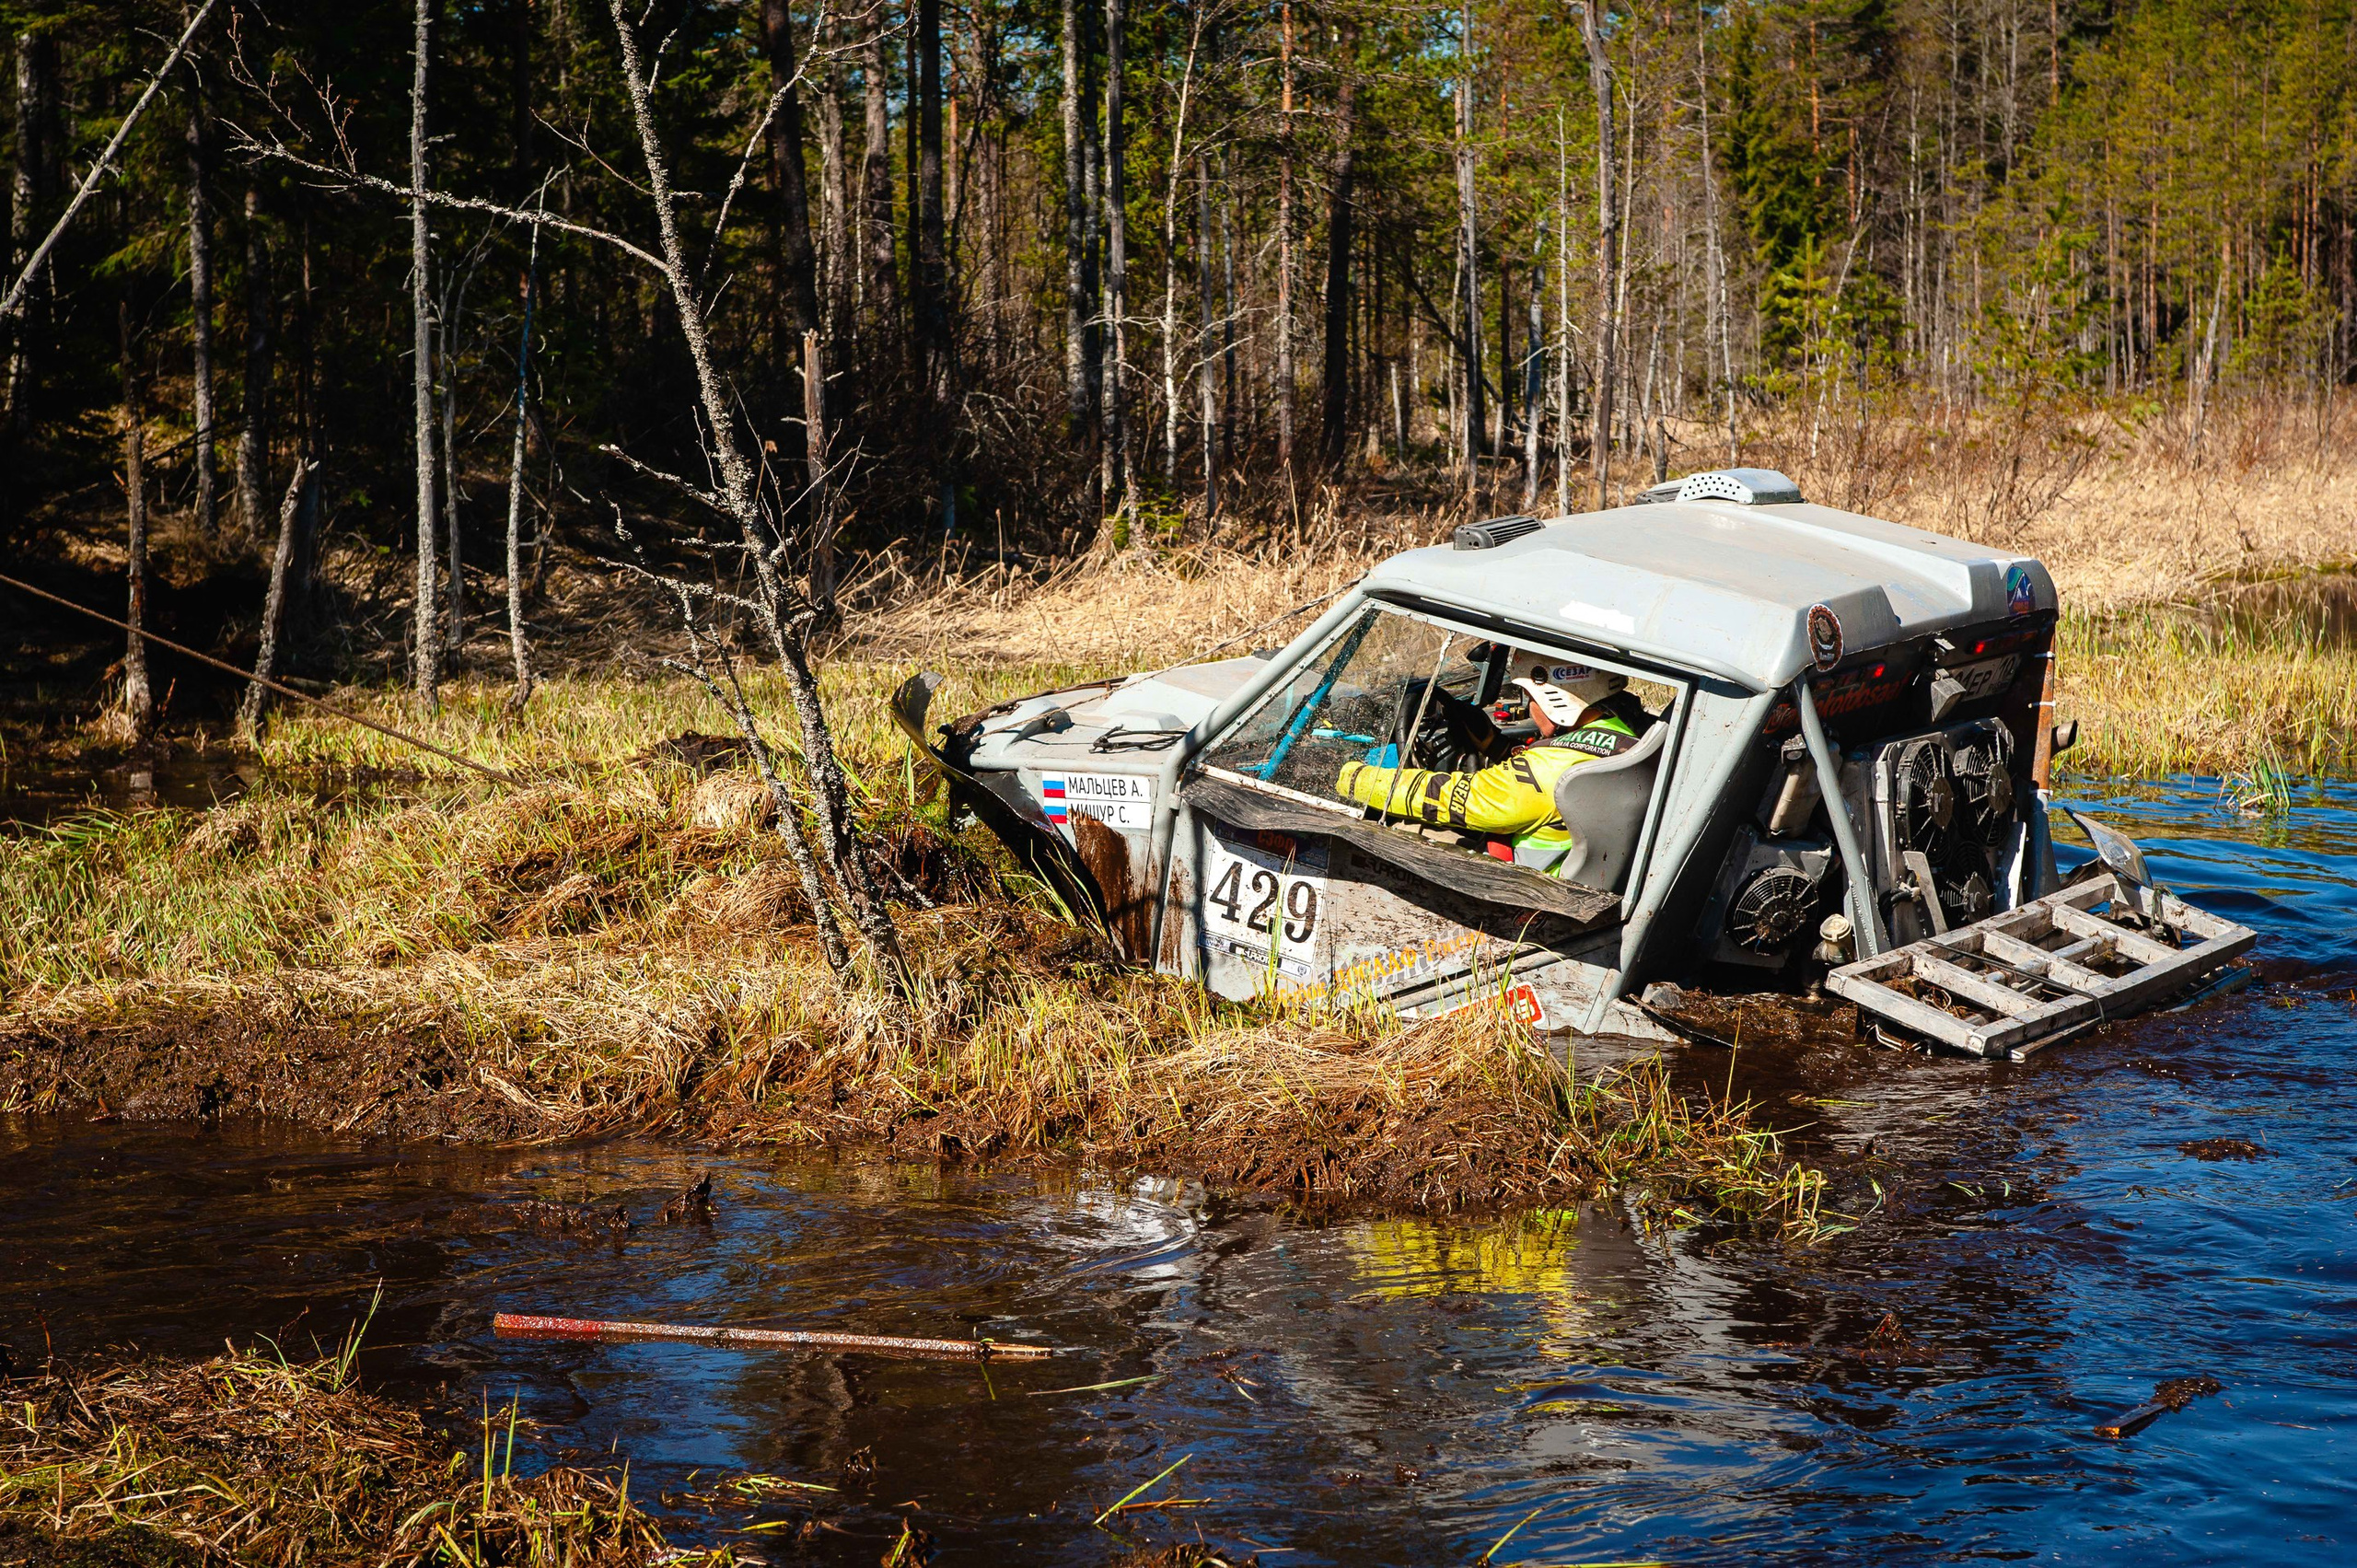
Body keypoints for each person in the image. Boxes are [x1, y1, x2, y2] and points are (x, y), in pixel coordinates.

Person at [1333, 655, 1653, 869]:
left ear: (1556, 697)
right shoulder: (1625, 732)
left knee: (1401, 831)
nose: (1530, 709)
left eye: (1531, 698)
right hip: (1583, 870)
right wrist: (1494, 745)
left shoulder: (1550, 770)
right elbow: (1535, 781)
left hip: (1533, 895)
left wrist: (1347, 775)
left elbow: (1450, 798)